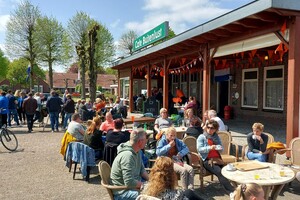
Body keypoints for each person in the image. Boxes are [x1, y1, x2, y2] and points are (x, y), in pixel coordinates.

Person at [110, 129, 149, 200]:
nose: (146, 142)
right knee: (152, 195)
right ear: (140, 142)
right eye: (145, 140)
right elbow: (129, 182)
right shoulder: (128, 156)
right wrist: (146, 186)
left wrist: (152, 181)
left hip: (133, 187)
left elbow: (142, 170)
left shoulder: (137, 151)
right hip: (123, 192)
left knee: (158, 190)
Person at [197, 119, 234, 193]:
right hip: (207, 160)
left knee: (228, 171)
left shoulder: (216, 137)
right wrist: (210, 148)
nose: (209, 129)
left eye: (212, 128)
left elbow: (221, 148)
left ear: (215, 129)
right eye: (208, 127)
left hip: (217, 159)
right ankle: (232, 191)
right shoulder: (202, 137)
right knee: (220, 172)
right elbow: (199, 149)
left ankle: (233, 188)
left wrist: (219, 147)